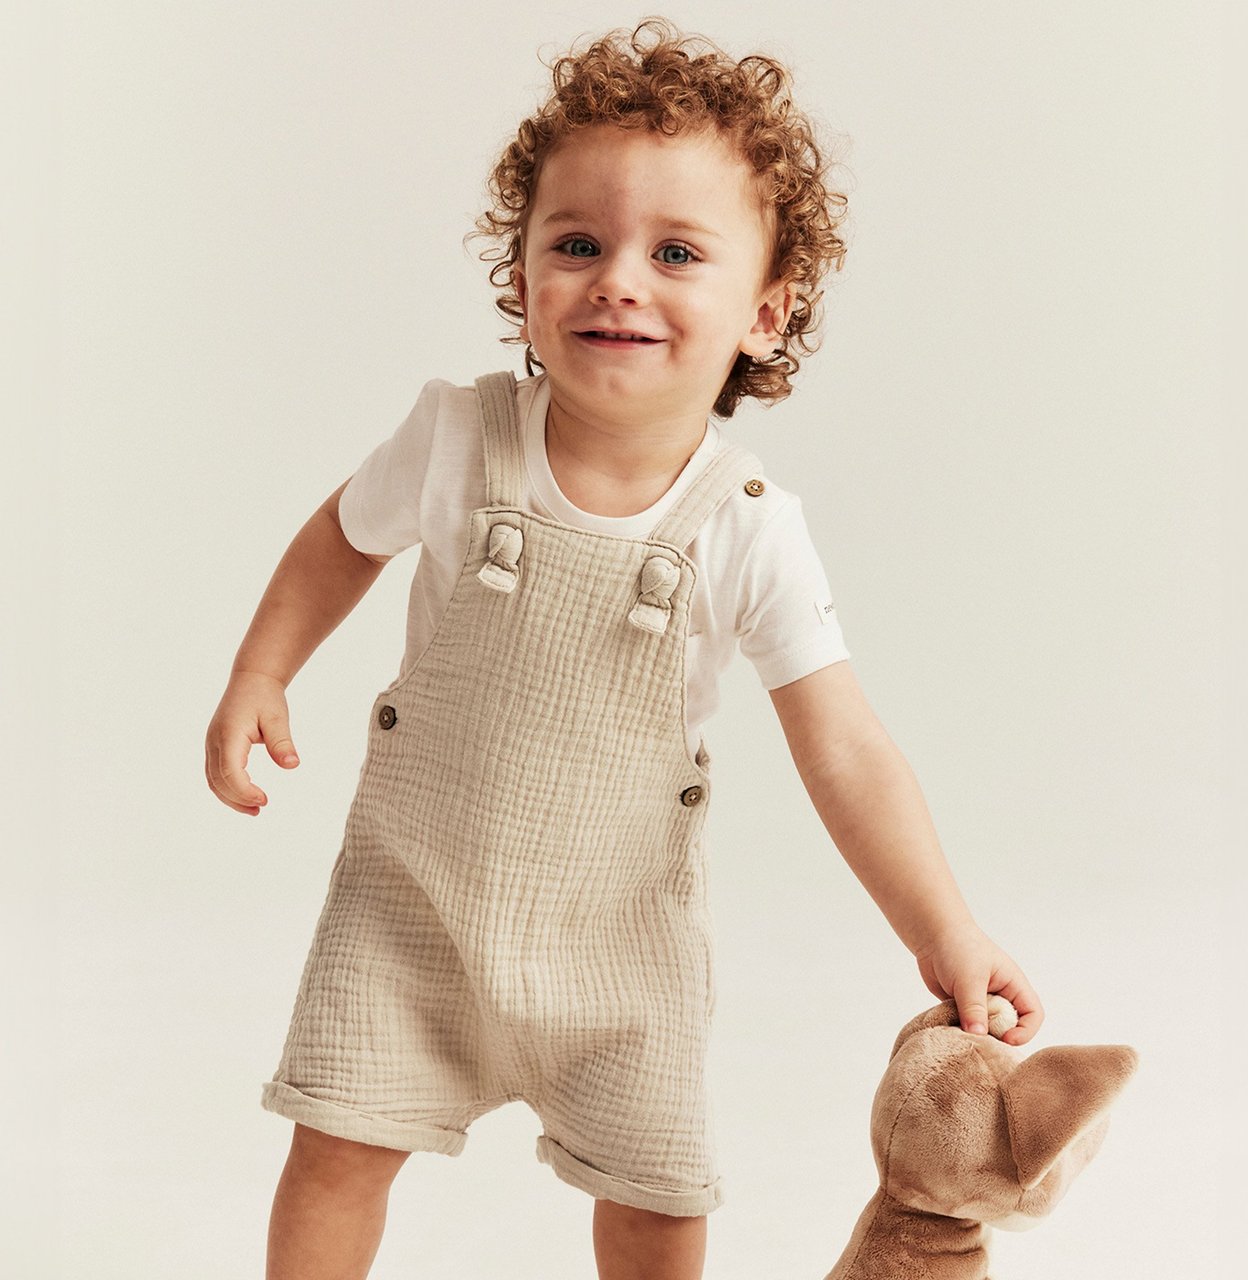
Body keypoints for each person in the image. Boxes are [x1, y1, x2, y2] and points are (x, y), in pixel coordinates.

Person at [204, 19, 1043, 1280]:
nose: (617, 280)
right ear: (522, 276)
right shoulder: (456, 438)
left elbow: (845, 747)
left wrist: (944, 930)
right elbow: (341, 538)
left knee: (655, 1206)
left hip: (620, 956)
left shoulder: (747, 528)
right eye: (577, 243)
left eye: (676, 252)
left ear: (764, 313)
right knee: (333, 1147)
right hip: (411, 914)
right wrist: (261, 669)